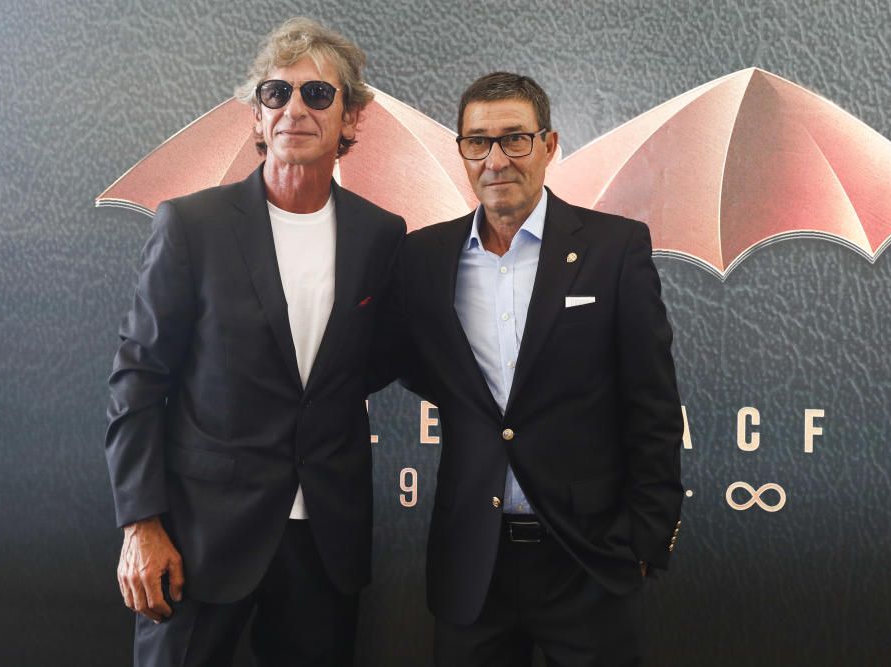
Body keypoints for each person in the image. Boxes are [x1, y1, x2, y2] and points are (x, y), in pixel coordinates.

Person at [104, 17, 404, 666]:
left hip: (324, 541)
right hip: (198, 536)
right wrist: (141, 522)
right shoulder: (192, 225)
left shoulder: (380, 235)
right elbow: (138, 377)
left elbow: (364, 363)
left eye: (317, 95)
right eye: (276, 94)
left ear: (350, 119)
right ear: (258, 117)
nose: (295, 108)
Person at [393, 72, 684, 666]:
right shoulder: (423, 257)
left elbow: (651, 403)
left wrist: (646, 536)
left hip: (588, 559)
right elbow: (418, 368)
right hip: (472, 564)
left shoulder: (614, 248)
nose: (496, 159)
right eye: (478, 142)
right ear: (462, 152)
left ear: (549, 146)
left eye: (515, 139)